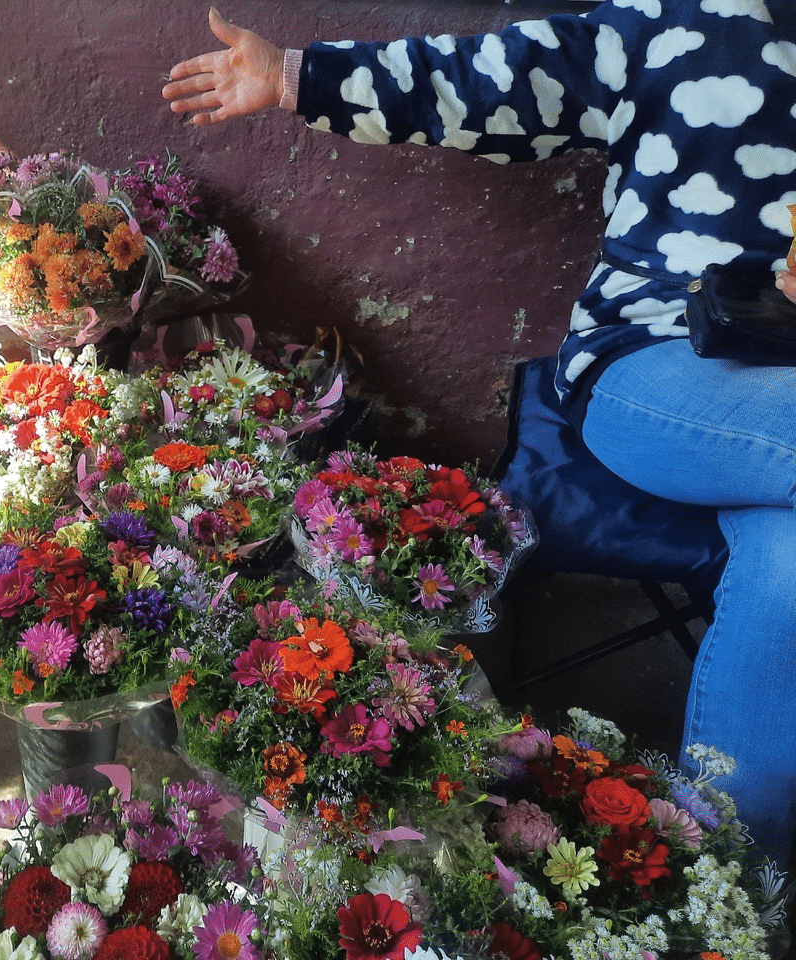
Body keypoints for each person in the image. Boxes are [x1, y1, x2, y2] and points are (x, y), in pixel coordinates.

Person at [164, 2, 796, 879]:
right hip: (654, 368)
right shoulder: (695, 20)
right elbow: (510, 76)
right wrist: (296, 77)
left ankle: (731, 889)